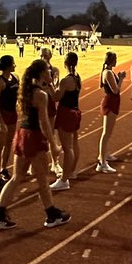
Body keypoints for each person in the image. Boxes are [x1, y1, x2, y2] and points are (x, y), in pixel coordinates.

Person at [0, 59, 69, 230]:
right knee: (42, 179)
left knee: (17, 177)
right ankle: (51, 214)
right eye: (48, 70)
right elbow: (44, 122)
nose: (51, 72)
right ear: (42, 73)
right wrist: (54, 144)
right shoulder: (41, 95)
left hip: (22, 134)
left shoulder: (26, 91)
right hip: (34, 137)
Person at [50, 52, 83, 192]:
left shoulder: (65, 80)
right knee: (74, 142)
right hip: (75, 111)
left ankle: (64, 179)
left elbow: (56, 97)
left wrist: (50, 84)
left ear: (65, 63)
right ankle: (72, 171)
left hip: (66, 113)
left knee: (67, 147)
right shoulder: (77, 77)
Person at [0, 55, 18, 191]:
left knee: (9, 143)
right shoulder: (0, 82)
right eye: (13, 63)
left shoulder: (15, 77)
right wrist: (1, 122)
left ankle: (4, 169)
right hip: (2, 115)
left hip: (12, 114)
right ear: (8, 66)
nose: (15, 65)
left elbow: (17, 94)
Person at [95, 51, 126, 173]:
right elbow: (115, 90)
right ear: (112, 60)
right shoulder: (107, 72)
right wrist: (121, 78)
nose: (117, 60)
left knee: (108, 132)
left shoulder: (108, 71)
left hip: (112, 102)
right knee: (106, 133)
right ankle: (102, 162)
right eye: (115, 58)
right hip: (110, 103)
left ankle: (105, 155)